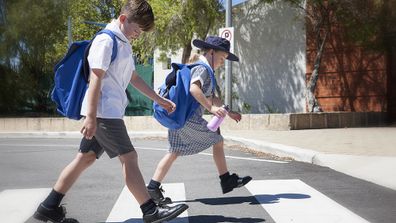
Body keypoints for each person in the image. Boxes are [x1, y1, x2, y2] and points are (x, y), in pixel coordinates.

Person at [33, 1, 188, 223]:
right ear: (124, 19)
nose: (138, 35)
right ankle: (150, 210)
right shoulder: (106, 41)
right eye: (137, 30)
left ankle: (48, 206)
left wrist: (160, 99)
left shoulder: (123, 42)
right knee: (130, 157)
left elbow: (133, 77)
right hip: (104, 113)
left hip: (107, 111)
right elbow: (95, 79)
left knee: (84, 159)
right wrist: (91, 117)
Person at [147, 36, 252, 205]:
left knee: (173, 151)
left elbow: (211, 96)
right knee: (217, 140)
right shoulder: (202, 68)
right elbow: (194, 88)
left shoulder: (201, 68)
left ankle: (152, 187)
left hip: (178, 116)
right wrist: (211, 109)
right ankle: (226, 179)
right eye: (221, 58)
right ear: (211, 52)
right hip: (188, 118)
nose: (222, 62)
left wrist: (229, 112)